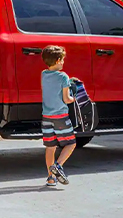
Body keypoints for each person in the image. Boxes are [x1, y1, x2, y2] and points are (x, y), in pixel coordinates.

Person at [40, 45, 78, 186]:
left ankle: (51, 178)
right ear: (57, 61)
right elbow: (66, 99)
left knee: (51, 147)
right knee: (71, 143)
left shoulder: (43, 74)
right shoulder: (63, 77)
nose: (63, 62)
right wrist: (73, 97)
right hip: (60, 116)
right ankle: (58, 165)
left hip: (46, 117)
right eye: (62, 60)